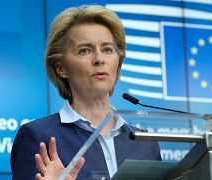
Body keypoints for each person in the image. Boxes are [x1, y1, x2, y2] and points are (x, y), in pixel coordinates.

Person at [10, 4, 161, 180]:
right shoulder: (39, 137)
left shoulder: (144, 142)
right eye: (84, 51)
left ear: (117, 62)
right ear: (60, 68)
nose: (99, 59)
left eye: (107, 49)